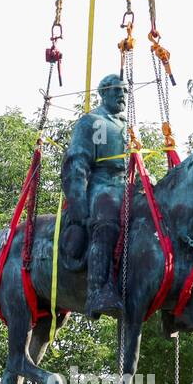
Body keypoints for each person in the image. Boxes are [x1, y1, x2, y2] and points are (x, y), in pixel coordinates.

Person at [61, 73, 131, 317]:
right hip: (102, 186)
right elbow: (76, 164)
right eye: (116, 90)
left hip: (128, 186)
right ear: (103, 93)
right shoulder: (92, 121)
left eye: (125, 91)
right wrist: (79, 205)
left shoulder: (129, 127)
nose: (122, 95)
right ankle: (98, 290)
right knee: (107, 223)